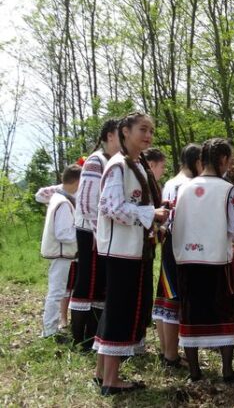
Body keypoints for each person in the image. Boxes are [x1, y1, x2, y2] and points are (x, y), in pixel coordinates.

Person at [94, 112, 168, 395]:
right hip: (121, 250)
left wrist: (155, 216)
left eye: (151, 131)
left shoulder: (135, 164)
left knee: (117, 309)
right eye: (142, 129)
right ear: (125, 131)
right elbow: (110, 207)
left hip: (133, 249)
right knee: (120, 311)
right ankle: (111, 380)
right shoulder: (119, 166)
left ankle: (103, 373)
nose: (148, 136)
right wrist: (151, 213)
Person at [171, 138, 234, 382]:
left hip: (186, 258)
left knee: (190, 311)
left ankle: (194, 370)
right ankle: (227, 370)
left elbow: (173, 221)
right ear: (223, 159)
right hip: (216, 259)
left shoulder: (183, 188)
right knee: (222, 311)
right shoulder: (228, 190)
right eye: (230, 159)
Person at [70, 119, 121, 351]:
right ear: (110, 136)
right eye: (121, 135)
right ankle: (79, 339)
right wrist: (100, 233)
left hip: (103, 234)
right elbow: (87, 202)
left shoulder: (113, 161)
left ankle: (92, 336)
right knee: (86, 284)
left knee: (100, 285)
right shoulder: (95, 160)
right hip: (90, 231)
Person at [152, 143, 202, 368]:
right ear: (197, 162)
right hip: (183, 244)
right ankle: (171, 355)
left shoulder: (170, 182)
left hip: (168, 241)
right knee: (174, 298)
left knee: (165, 296)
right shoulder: (190, 185)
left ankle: (167, 351)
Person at [40, 164, 81, 338]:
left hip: (60, 252)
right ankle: (49, 330)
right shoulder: (63, 203)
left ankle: (51, 328)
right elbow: (63, 233)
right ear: (77, 181)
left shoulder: (57, 198)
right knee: (56, 292)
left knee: (57, 291)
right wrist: (82, 234)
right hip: (61, 252)